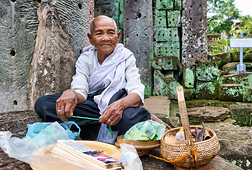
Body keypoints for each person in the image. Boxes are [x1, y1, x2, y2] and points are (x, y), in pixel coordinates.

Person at [35, 15, 170, 144]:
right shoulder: (85, 58)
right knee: (44, 104)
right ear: (91, 38)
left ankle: (139, 116)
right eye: (99, 33)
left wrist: (119, 105)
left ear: (117, 37)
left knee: (126, 118)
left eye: (110, 33)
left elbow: (137, 91)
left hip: (118, 102)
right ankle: (114, 118)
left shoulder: (126, 56)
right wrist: (71, 93)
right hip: (93, 104)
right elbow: (81, 92)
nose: (105, 38)